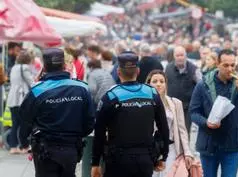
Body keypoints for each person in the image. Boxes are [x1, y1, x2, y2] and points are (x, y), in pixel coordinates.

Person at [19, 48, 95, 177]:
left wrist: (24, 143)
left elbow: (25, 120)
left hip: (45, 149)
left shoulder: (37, 91)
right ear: (64, 65)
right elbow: (89, 120)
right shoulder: (82, 88)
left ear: (45, 67)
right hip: (71, 148)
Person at [91, 51, 169, 177]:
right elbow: (164, 128)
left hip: (118, 160)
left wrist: (95, 163)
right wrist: (163, 156)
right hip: (145, 159)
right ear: (138, 71)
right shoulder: (152, 93)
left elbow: (99, 132)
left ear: (118, 72)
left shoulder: (111, 96)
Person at [189, 49, 238, 177]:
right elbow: (193, 112)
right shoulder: (203, 84)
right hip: (209, 143)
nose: (230, 69)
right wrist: (206, 122)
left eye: (233, 65)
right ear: (218, 64)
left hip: (232, 143)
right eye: (226, 65)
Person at [146, 70, 193, 177]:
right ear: (149, 84)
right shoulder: (143, 104)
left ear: (166, 84)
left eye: (162, 81)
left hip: (171, 149)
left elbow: (182, 130)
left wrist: (187, 152)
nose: (158, 84)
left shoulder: (175, 103)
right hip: (150, 150)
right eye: (155, 81)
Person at [165, 46, 202, 133]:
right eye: (177, 55)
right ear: (174, 56)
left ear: (185, 56)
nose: (180, 57)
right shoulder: (168, 68)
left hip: (187, 107)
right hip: (172, 106)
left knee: (185, 131)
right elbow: (165, 85)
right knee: (172, 132)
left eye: (182, 55)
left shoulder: (194, 69)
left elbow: (201, 86)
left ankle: (185, 147)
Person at [6, 50, 35, 154]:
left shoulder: (14, 68)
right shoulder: (25, 68)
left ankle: (13, 147)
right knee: (24, 124)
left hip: (13, 98)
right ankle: (24, 146)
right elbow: (32, 83)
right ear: (28, 59)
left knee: (15, 124)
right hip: (21, 99)